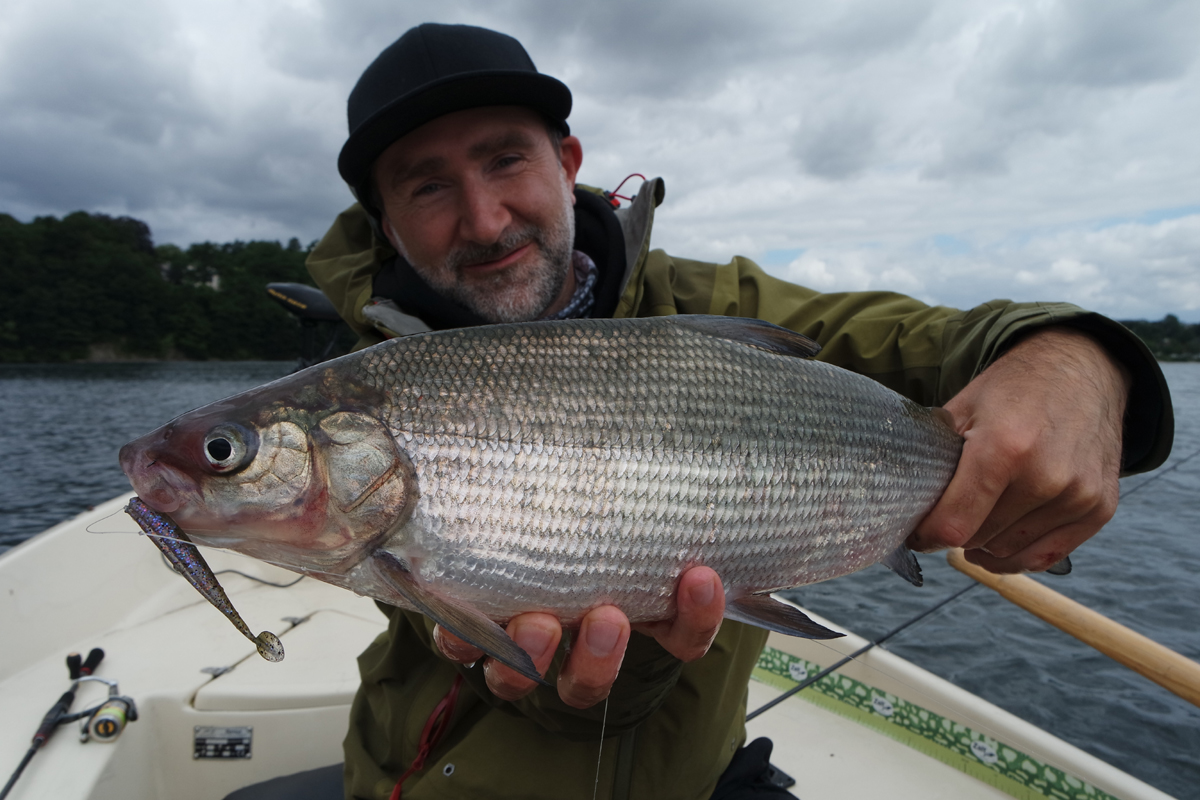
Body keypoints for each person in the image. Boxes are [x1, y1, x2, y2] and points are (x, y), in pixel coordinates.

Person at [260, 22, 1170, 800]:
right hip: (409, 772)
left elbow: (948, 341)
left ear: (567, 161)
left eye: (507, 159)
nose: (487, 218)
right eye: (426, 186)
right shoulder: (363, 380)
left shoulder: (727, 306)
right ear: (385, 223)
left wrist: (1079, 360)